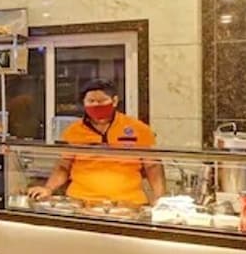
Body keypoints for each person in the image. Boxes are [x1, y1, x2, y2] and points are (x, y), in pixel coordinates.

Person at [28, 79, 164, 205]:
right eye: (91, 101)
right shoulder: (74, 130)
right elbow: (63, 167)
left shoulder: (138, 128)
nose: (96, 105)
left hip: (128, 202)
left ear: (114, 101)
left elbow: (152, 167)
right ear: (83, 103)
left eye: (102, 101)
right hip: (80, 202)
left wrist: (160, 199)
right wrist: (48, 188)